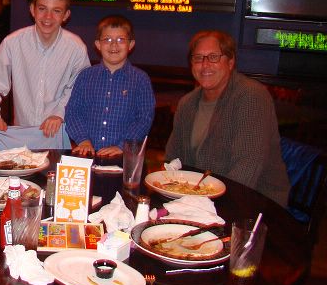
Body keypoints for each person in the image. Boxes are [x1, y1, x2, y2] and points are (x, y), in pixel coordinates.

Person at [165, 30, 290, 206]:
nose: (205, 65)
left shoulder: (251, 96)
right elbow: (173, 158)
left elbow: (246, 169)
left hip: (254, 202)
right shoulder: (187, 103)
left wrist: (203, 206)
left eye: (214, 57)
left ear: (230, 62)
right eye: (198, 58)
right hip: (198, 200)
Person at [0, 0, 90, 139]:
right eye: (42, 8)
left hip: (59, 135)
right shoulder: (13, 43)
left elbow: (79, 90)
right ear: (32, 10)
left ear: (66, 15)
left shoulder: (76, 48)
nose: (48, 17)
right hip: (21, 134)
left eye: (56, 11)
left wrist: (59, 114)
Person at [65, 15, 155, 156]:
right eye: (107, 39)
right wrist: (83, 140)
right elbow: (73, 112)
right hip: (88, 151)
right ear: (98, 44)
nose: (114, 45)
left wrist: (122, 146)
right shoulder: (85, 77)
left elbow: (144, 118)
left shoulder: (140, 79)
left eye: (120, 40)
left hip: (123, 156)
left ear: (131, 45)